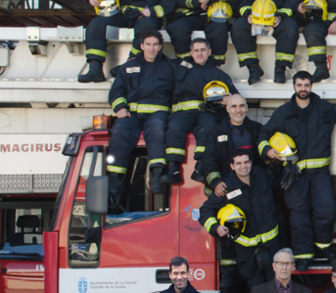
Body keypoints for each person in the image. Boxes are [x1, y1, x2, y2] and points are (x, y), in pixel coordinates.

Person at [260, 71, 336, 270]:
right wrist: (268, 151)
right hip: (294, 175)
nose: (303, 88)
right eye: (299, 85)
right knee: (298, 216)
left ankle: (323, 246)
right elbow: (264, 134)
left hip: (320, 174)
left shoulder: (324, 108)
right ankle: (303, 255)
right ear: (294, 86)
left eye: (306, 84)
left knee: (327, 210)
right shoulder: (284, 112)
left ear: (311, 86)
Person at [105, 30, 174, 207]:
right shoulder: (128, 67)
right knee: (119, 133)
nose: (152, 48)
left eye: (155, 45)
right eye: (148, 44)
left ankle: (157, 180)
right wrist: (120, 108)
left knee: (157, 132)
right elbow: (116, 91)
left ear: (160, 47)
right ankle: (114, 190)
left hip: (157, 114)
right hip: (131, 115)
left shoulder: (169, 67)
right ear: (142, 46)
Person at [159, 38, 238, 185]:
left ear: (209, 52)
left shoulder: (219, 74)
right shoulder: (179, 66)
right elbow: (156, 61)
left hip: (206, 113)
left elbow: (236, 97)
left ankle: (200, 167)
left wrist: (229, 100)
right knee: (175, 128)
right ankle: (173, 169)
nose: (199, 53)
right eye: (196, 50)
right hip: (181, 114)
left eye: (202, 50)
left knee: (208, 128)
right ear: (191, 52)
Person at [198, 149, 281, 287]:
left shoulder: (261, 175)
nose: (243, 166)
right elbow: (205, 210)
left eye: (246, 162)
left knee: (278, 286)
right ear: (232, 166)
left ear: (251, 162)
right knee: (256, 290)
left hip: (272, 244)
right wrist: (215, 227)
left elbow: (276, 179)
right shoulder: (226, 186)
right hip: (247, 250)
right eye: (238, 163)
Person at [231, 0, 301, 84]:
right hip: (255, 20)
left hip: (277, 19)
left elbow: (292, 2)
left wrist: (280, 16)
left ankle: (280, 69)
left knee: (291, 26)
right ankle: (253, 68)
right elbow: (243, 2)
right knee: (238, 26)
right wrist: (248, 14)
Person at [197, 93, 264, 199]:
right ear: (227, 109)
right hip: (228, 187)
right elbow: (209, 161)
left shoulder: (257, 129)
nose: (238, 110)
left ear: (246, 107)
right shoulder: (217, 132)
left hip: (254, 186)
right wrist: (216, 182)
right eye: (234, 106)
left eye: (241, 106)